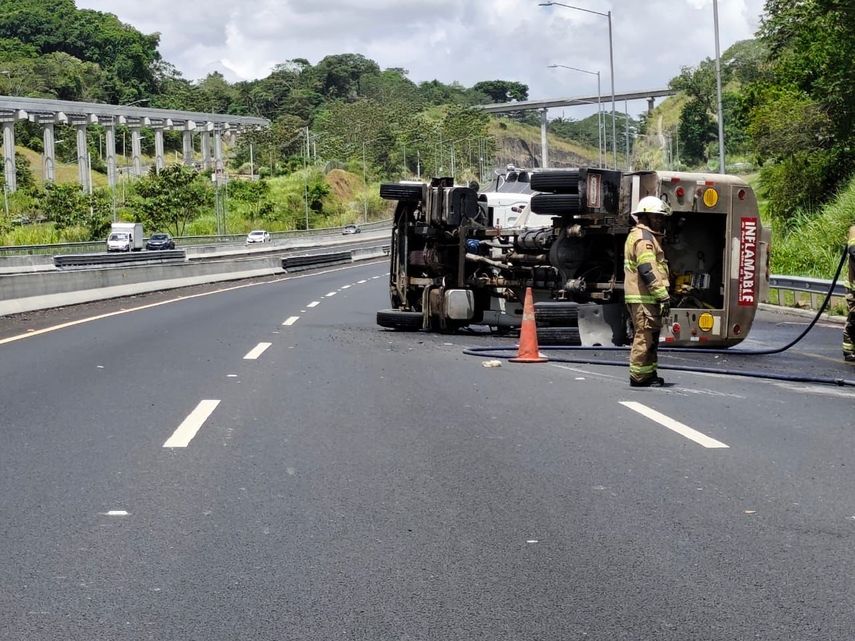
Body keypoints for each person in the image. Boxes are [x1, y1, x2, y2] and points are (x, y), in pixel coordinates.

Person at [624, 195, 672, 387]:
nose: (660, 221)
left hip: (646, 297)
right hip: (644, 297)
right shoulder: (644, 239)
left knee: (650, 337)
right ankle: (638, 376)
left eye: (661, 217)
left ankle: (648, 373)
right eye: (657, 217)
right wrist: (663, 296)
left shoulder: (646, 236)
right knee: (644, 336)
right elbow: (647, 270)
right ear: (645, 217)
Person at [843, 224, 855, 362]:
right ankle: (848, 350)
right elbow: (853, 251)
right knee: (854, 319)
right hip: (854, 289)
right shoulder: (854, 231)